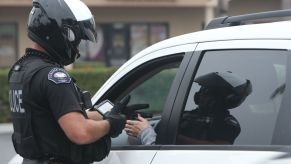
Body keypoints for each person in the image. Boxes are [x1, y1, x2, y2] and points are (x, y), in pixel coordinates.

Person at [8, 0, 127, 163]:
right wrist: (110, 125)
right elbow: (80, 131)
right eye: (75, 41)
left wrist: (108, 114)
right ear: (59, 33)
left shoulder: (20, 70)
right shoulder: (54, 76)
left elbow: (54, 117)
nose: (76, 49)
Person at [125, 71, 252, 145]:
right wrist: (134, 121)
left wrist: (173, 137)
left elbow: (217, 148)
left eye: (206, 91)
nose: (199, 94)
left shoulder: (228, 124)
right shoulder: (186, 115)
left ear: (218, 99)